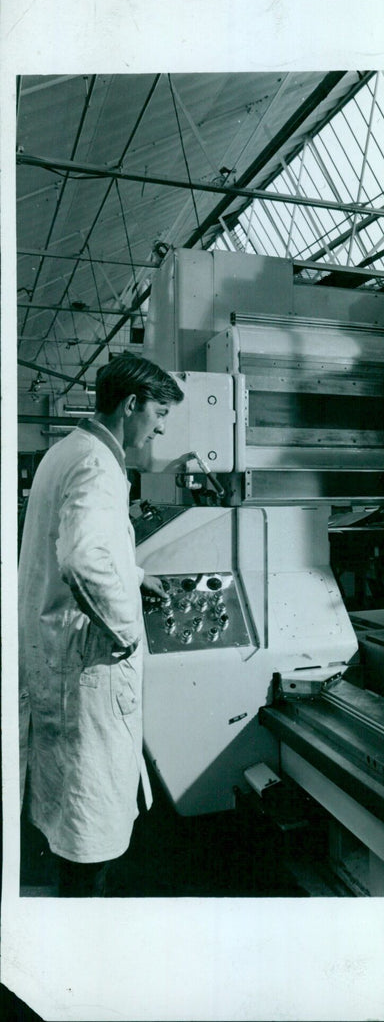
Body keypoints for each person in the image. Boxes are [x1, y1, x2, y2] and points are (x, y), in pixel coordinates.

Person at [18, 355, 184, 896]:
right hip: (88, 668)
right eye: (159, 412)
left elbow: (76, 545)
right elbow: (83, 560)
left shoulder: (66, 451)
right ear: (131, 404)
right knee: (89, 827)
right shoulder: (98, 465)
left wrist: (133, 574)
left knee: (72, 812)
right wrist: (127, 630)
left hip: (56, 657)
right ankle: (81, 953)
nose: (160, 426)